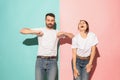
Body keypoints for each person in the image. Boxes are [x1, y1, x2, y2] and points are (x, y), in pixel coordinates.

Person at [20, 13, 74, 80]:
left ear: (54, 21)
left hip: (52, 61)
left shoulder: (57, 32)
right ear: (45, 20)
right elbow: (22, 30)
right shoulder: (40, 30)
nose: (50, 22)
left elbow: (73, 36)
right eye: (48, 20)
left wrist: (64, 33)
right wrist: (35, 32)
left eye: (52, 20)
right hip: (40, 61)